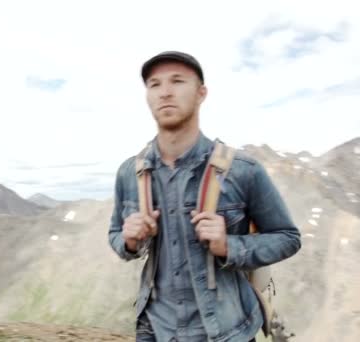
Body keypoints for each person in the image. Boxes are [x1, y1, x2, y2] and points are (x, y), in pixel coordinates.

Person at [107, 51, 301, 342]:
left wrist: (229, 246)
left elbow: (288, 237)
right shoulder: (129, 173)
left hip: (227, 332)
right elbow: (115, 235)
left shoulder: (242, 170)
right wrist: (129, 240)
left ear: (201, 93)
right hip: (154, 331)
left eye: (177, 81)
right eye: (154, 84)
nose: (165, 92)